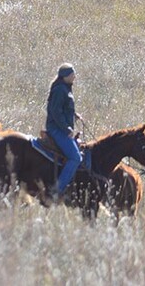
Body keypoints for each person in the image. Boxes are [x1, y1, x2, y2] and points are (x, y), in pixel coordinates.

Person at [46, 63, 83, 200]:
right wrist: (66, 128)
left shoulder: (65, 88)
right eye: (72, 74)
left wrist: (74, 114)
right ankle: (57, 190)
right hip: (57, 129)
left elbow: (63, 107)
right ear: (65, 76)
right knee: (75, 158)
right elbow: (55, 111)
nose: (74, 76)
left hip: (61, 128)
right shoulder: (60, 90)